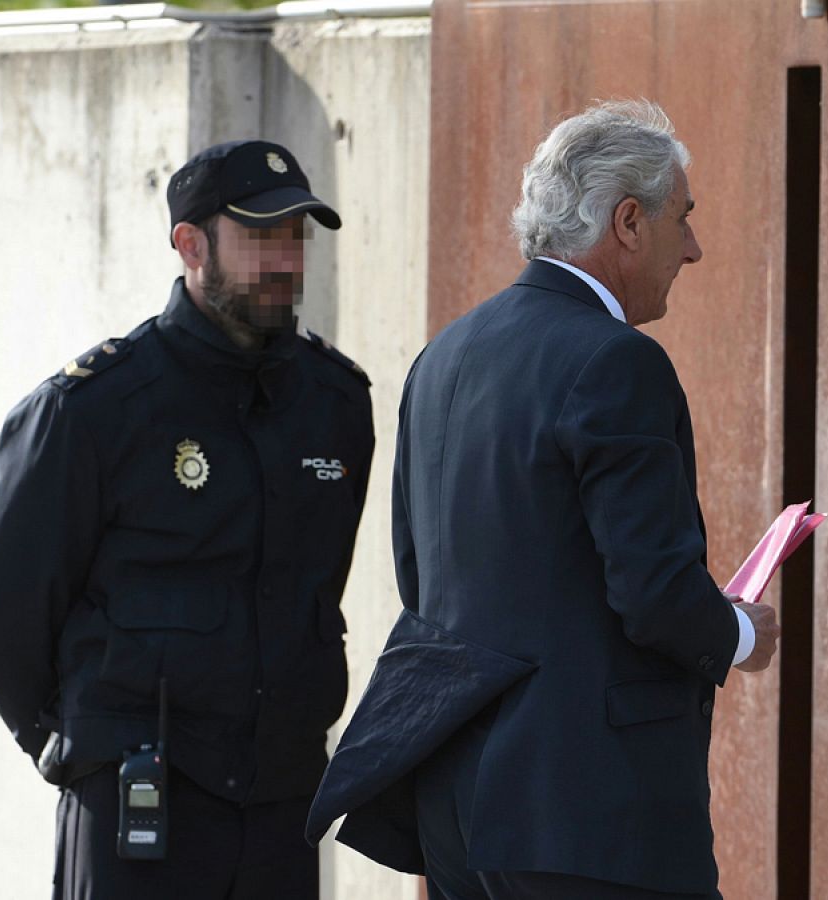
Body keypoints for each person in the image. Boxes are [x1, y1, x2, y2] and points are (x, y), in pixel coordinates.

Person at [305, 100, 780, 899]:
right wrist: (737, 631)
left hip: (461, 807)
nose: (693, 249)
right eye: (682, 220)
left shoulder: (444, 355)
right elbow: (653, 593)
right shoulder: (617, 361)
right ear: (628, 222)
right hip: (591, 814)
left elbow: (422, 581)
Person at [0, 139, 374, 899]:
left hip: (282, 805)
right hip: (138, 804)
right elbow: (3, 616)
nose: (285, 259)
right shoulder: (91, 409)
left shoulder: (337, 404)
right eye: (260, 236)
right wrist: (72, 742)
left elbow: (316, 589)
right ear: (190, 243)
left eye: (296, 236)